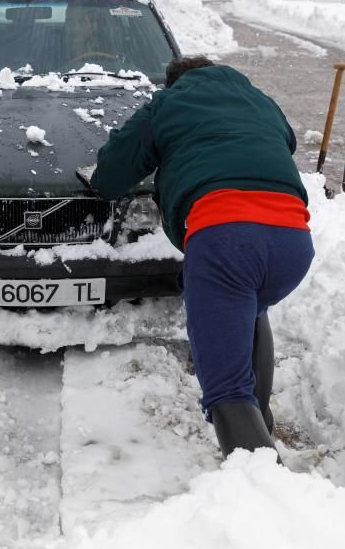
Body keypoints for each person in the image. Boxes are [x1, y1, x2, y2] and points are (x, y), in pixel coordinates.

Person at [88, 56, 314, 460]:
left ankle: (269, 498)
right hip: (293, 241)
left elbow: (113, 172)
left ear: (175, 84)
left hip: (225, 237)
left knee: (226, 391)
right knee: (248, 311)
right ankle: (259, 425)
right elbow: (287, 141)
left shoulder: (168, 104)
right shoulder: (260, 101)